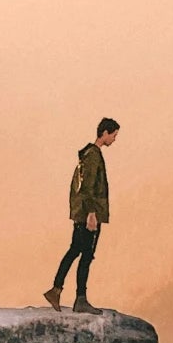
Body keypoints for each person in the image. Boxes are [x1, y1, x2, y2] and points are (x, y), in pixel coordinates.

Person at [46, 116, 119, 310]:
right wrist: (92, 213)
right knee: (86, 255)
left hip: (81, 212)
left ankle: (56, 289)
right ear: (105, 133)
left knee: (75, 250)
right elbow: (88, 187)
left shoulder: (86, 154)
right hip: (88, 214)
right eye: (113, 135)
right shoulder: (94, 155)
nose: (114, 139)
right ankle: (80, 298)